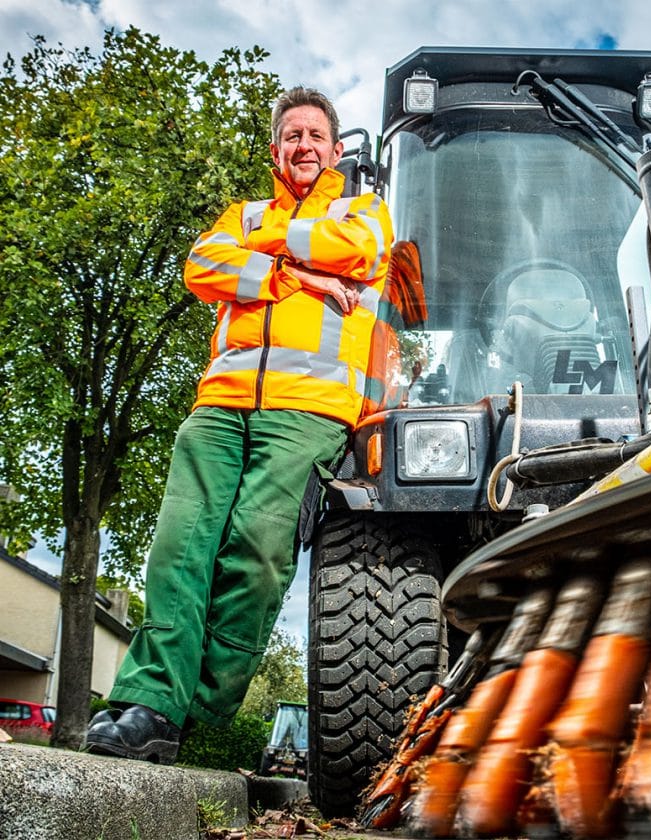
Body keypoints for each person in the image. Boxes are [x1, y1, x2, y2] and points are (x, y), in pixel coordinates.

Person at [85, 86, 394, 764]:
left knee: (255, 553)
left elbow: (358, 251)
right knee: (179, 547)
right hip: (219, 405)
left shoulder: (363, 210)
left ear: (335, 151)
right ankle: (149, 701)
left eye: (316, 136)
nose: (304, 146)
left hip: (308, 412)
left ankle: (194, 709)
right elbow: (203, 266)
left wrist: (270, 249)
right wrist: (305, 277)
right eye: (292, 136)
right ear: (276, 149)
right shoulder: (241, 212)